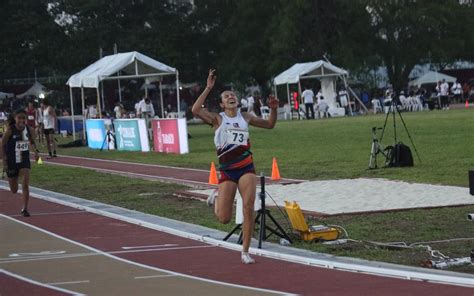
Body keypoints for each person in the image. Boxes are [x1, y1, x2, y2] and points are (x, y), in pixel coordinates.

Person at [192, 69, 279, 264]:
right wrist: (208, 88)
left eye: (233, 95)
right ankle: (216, 197)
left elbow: (270, 125)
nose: (231, 96)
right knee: (224, 218)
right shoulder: (217, 119)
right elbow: (195, 110)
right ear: (222, 104)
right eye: (226, 96)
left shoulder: (245, 117)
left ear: (237, 100)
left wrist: (273, 109)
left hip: (246, 167)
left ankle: (245, 252)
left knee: (248, 207)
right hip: (227, 170)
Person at [1, 109, 40, 217]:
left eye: (24, 118)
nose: (22, 120)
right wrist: (4, 160)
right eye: (19, 118)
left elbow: (32, 142)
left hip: (24, 160)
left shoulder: (29, 129)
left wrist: (36, 153)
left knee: (25, 184)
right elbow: (2, 144)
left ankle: (25, 209)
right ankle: (16, 175)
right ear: (15, 119)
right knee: (14, 190)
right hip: (12, 161)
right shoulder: (10, 130)